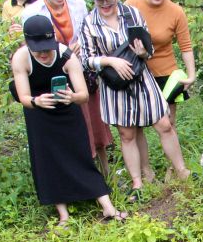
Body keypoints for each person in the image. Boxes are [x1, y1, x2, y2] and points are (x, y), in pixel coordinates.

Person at [80, 0, 190, 201]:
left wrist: (143, 51)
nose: (105, 2)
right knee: (127, 133)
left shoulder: (132, 14)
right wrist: (110, 61)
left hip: (141, 78)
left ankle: (182, 171)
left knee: (164, 123)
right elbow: (86, 59)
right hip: (114, 85)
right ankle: (138, 182)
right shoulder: (89, 23)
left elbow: (148, 49)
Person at [10, 14, 126, 225]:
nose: (44, 54)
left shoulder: (66, 56)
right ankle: (63, 214)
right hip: (39, 115)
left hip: (68, 110)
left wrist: (71, 96)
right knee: (48, 161)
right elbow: (23, 96)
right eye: (39, 50)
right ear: (28, 44)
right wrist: (37, 101)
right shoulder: (20, 58)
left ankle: (108, 207)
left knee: (80, 156)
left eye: (47, 48)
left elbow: (83, 95)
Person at [22, 0, 114, 176]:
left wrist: (82, 45)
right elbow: (31, 48)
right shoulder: (32, 13)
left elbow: (88, 31)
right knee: (77, 124)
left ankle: (105, 170)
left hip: (83, 70)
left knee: (95, 122)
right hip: (56, 73)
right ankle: (83, 171)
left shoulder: (78, 4)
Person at [125, 0, 196, 183]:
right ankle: (146, 172)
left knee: (168, 123)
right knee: (138, 125)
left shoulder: (176, 11)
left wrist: (191, 75)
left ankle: (173, 169)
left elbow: (185, 46)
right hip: (138, 71)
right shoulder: (130, 6)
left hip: (166, 72)